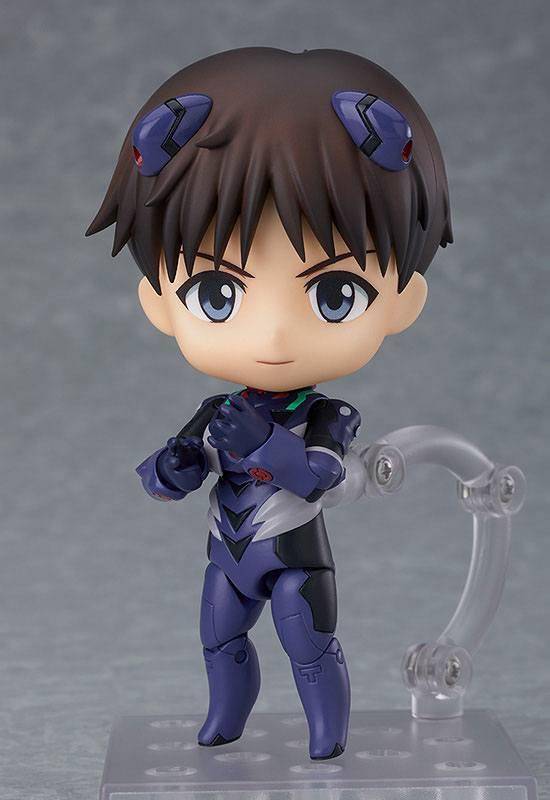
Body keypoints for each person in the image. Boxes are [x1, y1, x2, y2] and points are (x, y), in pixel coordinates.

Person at [87, 46, 452, 760]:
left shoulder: (327, 415)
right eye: (217, 294)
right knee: (218, 638)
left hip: (295, 558)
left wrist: (262, 444)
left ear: (402, 302)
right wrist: (173, 467)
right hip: (227, 553)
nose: (276, 336)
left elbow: (320, 477)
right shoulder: (216, 410)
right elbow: (165, 479)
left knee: (305, 639)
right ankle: (224, 722)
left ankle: (327, 739)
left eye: (334, 293)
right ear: (159, 302)